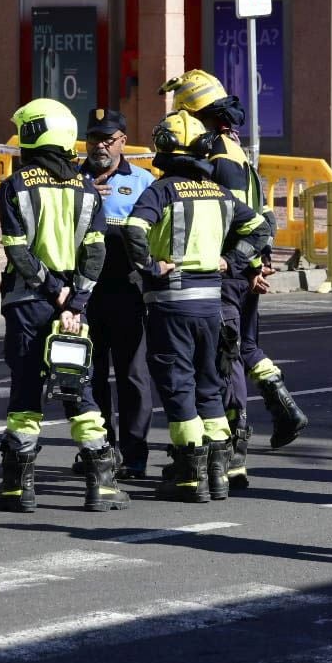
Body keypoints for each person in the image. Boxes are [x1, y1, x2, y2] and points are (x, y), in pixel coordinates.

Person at [162, 70, 308, 484]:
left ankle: (233, 454)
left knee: (222, 361)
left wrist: (238, 263)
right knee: (241, 346)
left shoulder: (216, 158)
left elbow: (222, 216)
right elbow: (260, 214)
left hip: (221, 268)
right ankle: (283, 411)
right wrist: (256, 262)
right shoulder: (236, 150)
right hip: (241, 264)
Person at [0, 99, 124, 513]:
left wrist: (52, 290)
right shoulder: (86, 188)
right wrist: (75, 299)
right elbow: (96, 253)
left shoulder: (16, 185)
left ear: (32, 136)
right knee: (77, 386)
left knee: (26, 388)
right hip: (73, 309)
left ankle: (18, 487)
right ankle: (101, 484)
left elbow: (17, 251)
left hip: (29, 303)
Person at [124, 110, 270, 503]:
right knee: (210, 385)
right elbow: (260, 229)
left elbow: (135, 231)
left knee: (177, 386)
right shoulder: (219, 192)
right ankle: (218, 473)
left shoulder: (162, 190)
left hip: (171, 302)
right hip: (211, 304)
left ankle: (188, 474)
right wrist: (232, 261)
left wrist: (151, 266)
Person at [79, 107, 156, 480]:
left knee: (132, 374)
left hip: (127, 290)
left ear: (123, 140)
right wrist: (84, 196)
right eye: (94, 139)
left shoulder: (142, 181)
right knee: (88, 375)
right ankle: (97, 449)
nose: (100, 147)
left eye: (108, 140)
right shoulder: (73, 179)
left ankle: (135, 453)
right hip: (84, 292)